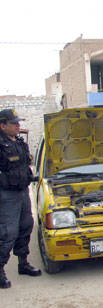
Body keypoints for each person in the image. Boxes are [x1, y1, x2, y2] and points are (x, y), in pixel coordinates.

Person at [0, 109, 41, 289]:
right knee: (8, 233)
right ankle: (0, 270)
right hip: (7, 195)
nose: (18, 125)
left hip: (23, 192)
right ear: (2, 125)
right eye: (14, 123)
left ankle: (23, 263)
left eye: (18, 122)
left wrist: (30, 177)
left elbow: (25, 165)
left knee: (26, 226)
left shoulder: (18, 142)